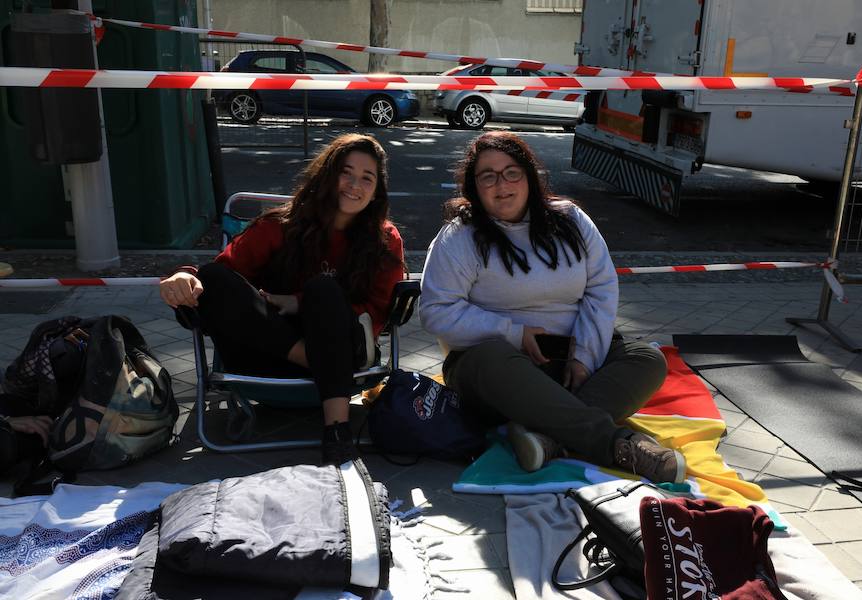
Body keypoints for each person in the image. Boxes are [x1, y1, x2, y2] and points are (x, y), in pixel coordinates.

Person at [418, 131, 685, 483]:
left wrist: (584, 358)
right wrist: (514, 334)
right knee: (491, 360)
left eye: (512, 172)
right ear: (474, 187)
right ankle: (618, 445)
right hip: (498, 367)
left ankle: (548, 439)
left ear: (529, 177)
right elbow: (436, 310)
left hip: (570, 358)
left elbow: (600, 289)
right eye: (488, 176)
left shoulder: (571, 220)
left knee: (647, 358)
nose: (502, 184)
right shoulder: (460, 236)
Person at [159, 133, 405, 466]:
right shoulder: (279, 226)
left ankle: (337, 431)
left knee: (324, 290)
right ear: (327, 174)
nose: (354, 184)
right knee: (213, 279)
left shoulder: (384, 240)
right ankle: (313, 358)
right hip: (271, 355)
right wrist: (184, 277)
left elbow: (379, 310)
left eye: (367, 178)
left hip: (345, 350)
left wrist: (300, 302)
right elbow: (221, 277)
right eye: (346, 172)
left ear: (377, 191)